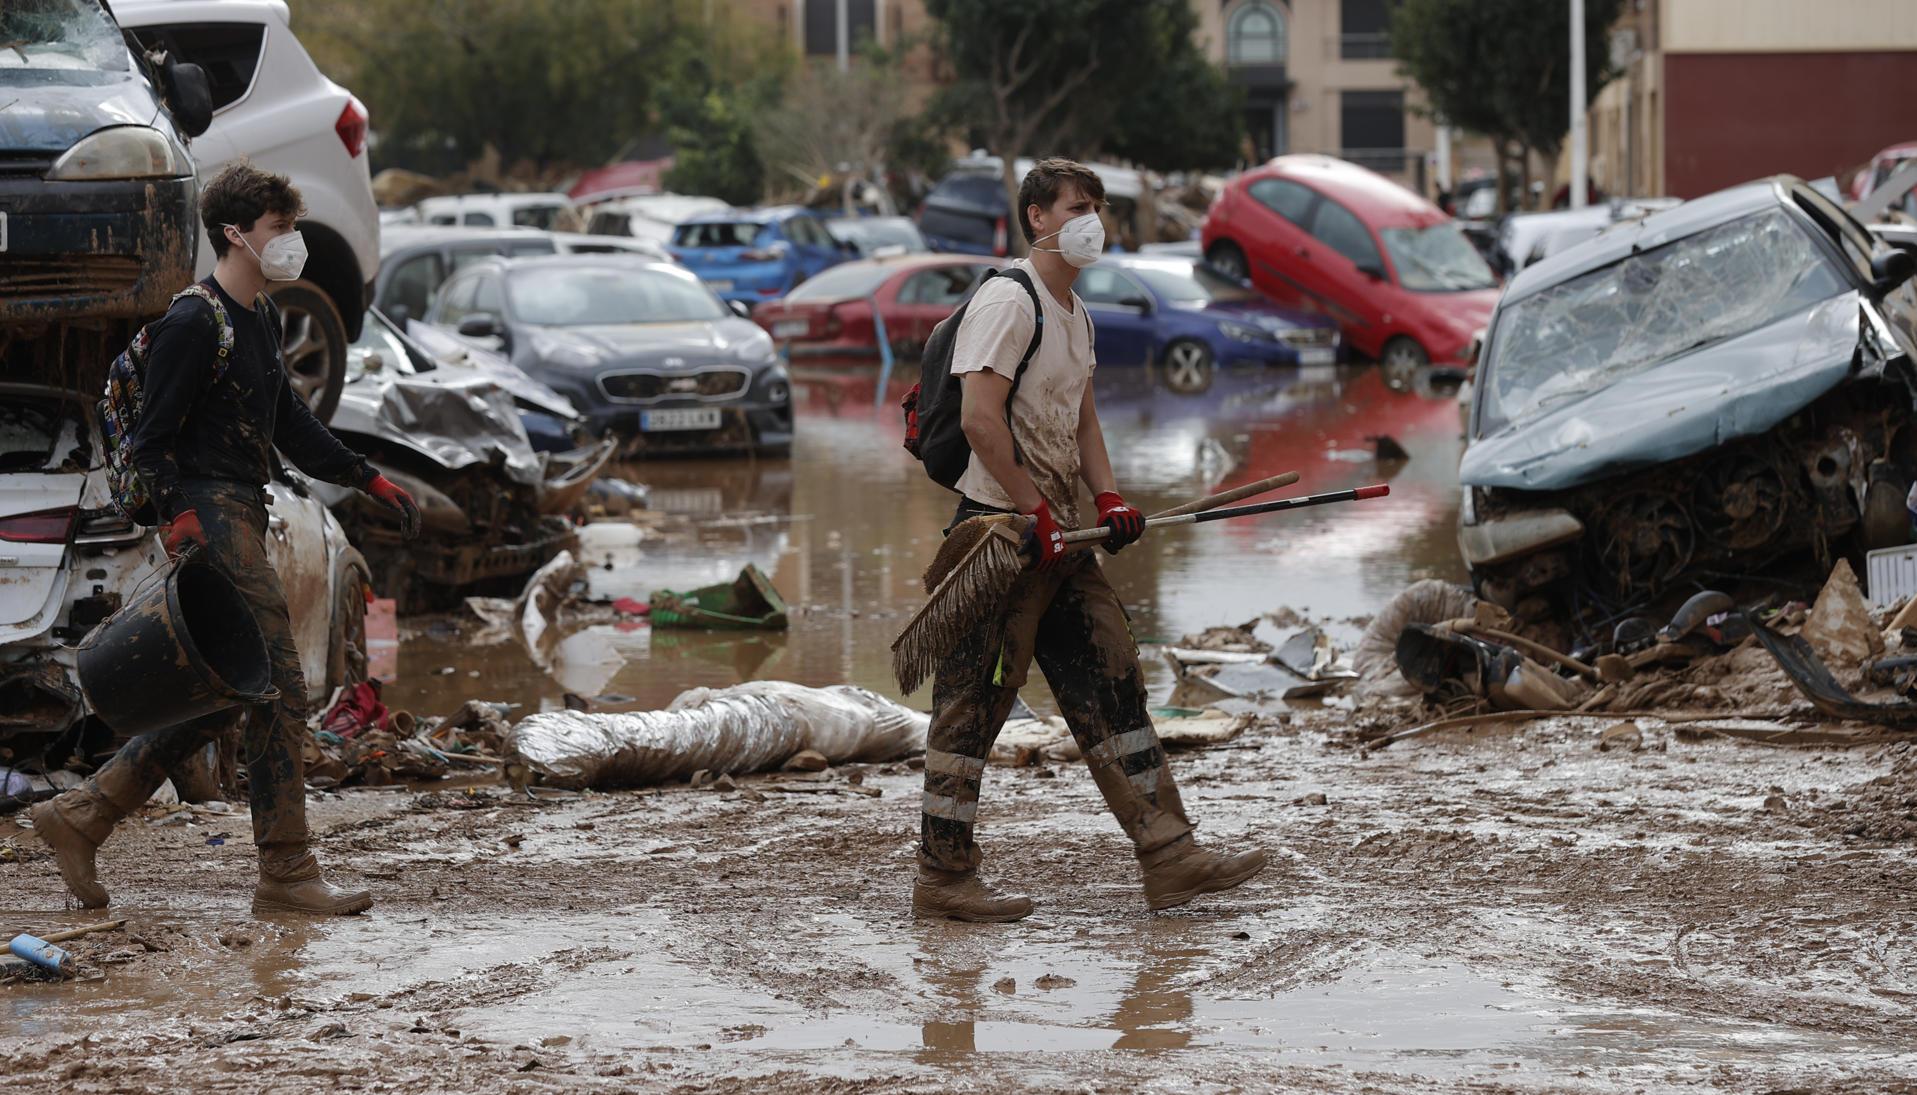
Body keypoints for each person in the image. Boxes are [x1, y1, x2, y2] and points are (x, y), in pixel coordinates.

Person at [31, 162, 420, 916]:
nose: (293, 244)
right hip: (208, 516)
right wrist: (182, 526)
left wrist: (366, 476)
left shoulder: (261, 319)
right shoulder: (192, 321)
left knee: (223, 695)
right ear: (237, 234)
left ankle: (81, 815)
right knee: (278, 689)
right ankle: (286, 871)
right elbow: (151, 442)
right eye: (281, 230)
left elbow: (288, 423)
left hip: (243, 508)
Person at [913, 159, 1268, 922]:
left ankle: (1170, 857)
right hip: (996, 535)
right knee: (970, 706)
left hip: (1062, 535)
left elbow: (1081, 420)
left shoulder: (1076, 313)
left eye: (1099, 206)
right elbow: (980, 419)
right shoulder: (1010, 301)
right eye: (1078, 206)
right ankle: (943, 877)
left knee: (1110, 681)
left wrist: (1106, 498)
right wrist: (1033, 509)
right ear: (1037, 217)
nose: (1093, 220)